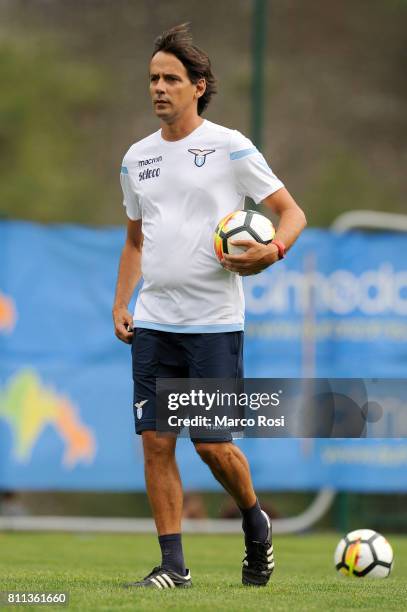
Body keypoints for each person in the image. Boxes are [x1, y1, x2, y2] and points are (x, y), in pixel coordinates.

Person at [113, 23, 306, 590]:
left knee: (214, 446)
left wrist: (272, 251)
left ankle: (254, 517)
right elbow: (134, 239)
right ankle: (174, 564)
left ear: (199, 86)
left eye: (171, 78)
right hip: (153, 322)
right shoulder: (135, 159)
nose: (159, 88)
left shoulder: (231, 147)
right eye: (153, 78)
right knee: (155, 443)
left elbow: (291, 211)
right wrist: (122, 301)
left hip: (213, 325)